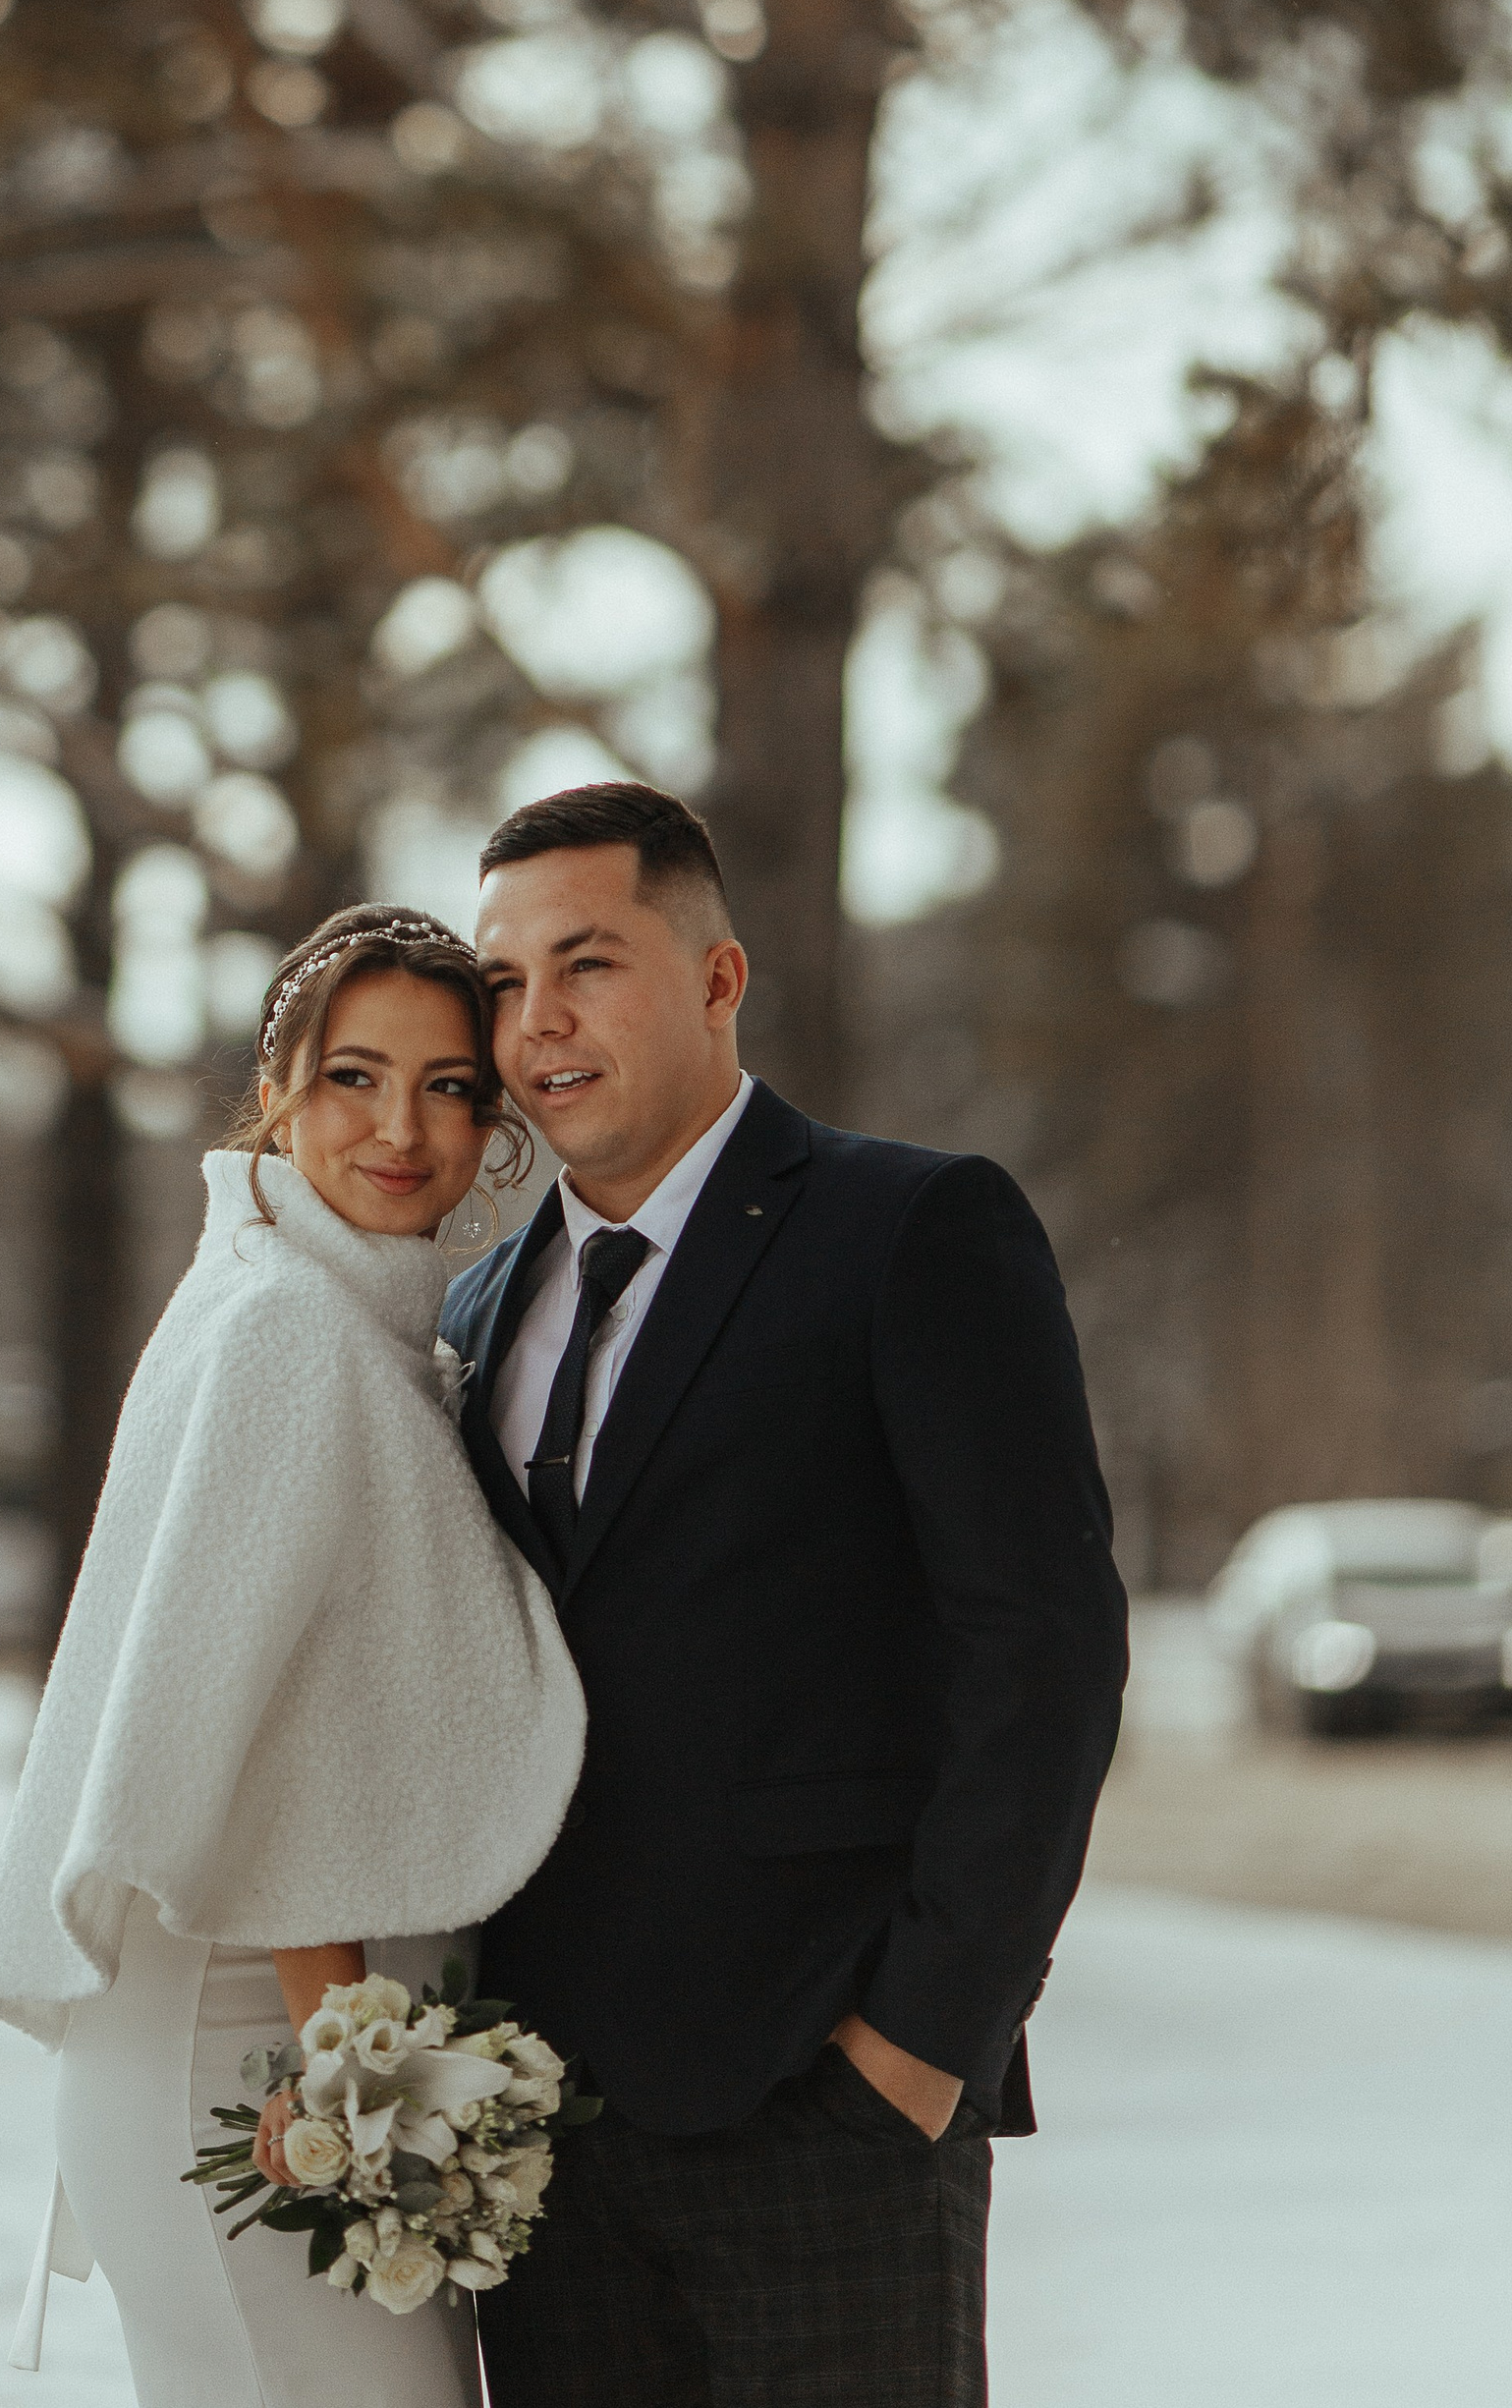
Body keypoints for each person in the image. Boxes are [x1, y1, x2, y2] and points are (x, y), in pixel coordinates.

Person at [442, 781, 1130, 2408]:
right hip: (546, 2133)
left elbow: (1046, 1648)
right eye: (503, 979)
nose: (538, 1019)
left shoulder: (911, 1227)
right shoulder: (475, 1298)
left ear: (716, 976)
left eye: (588, 961)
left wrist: (921, 2041)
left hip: (824, 2098)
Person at [0, 904, 586, 2408]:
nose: (400, 1128)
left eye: (448, 1087)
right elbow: (256, 1731)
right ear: (279, 1093)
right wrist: (357, 2079)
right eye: (353, 1079)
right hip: (257, 2050)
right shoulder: (288, 1331)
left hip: (293, 2038)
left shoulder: (319, 1308)